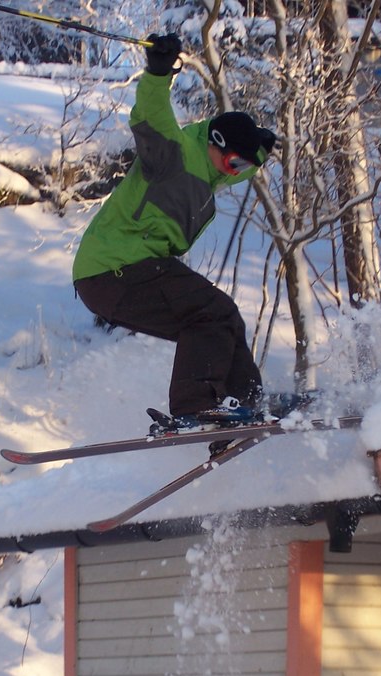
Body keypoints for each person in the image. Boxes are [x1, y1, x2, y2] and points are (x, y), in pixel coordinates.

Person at [73, 33, 278, 430]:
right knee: (211, 311)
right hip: (115, 267)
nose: (233, 173)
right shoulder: (175, 152)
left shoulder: (212, 174)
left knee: (224, 318)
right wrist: (157, 72)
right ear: (216, 142)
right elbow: (150, 115)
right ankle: (197, 405)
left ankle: (243, 408)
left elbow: (246, 166)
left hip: (128, 275)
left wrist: (262, 148)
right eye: (233, 163)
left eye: (240, 168)